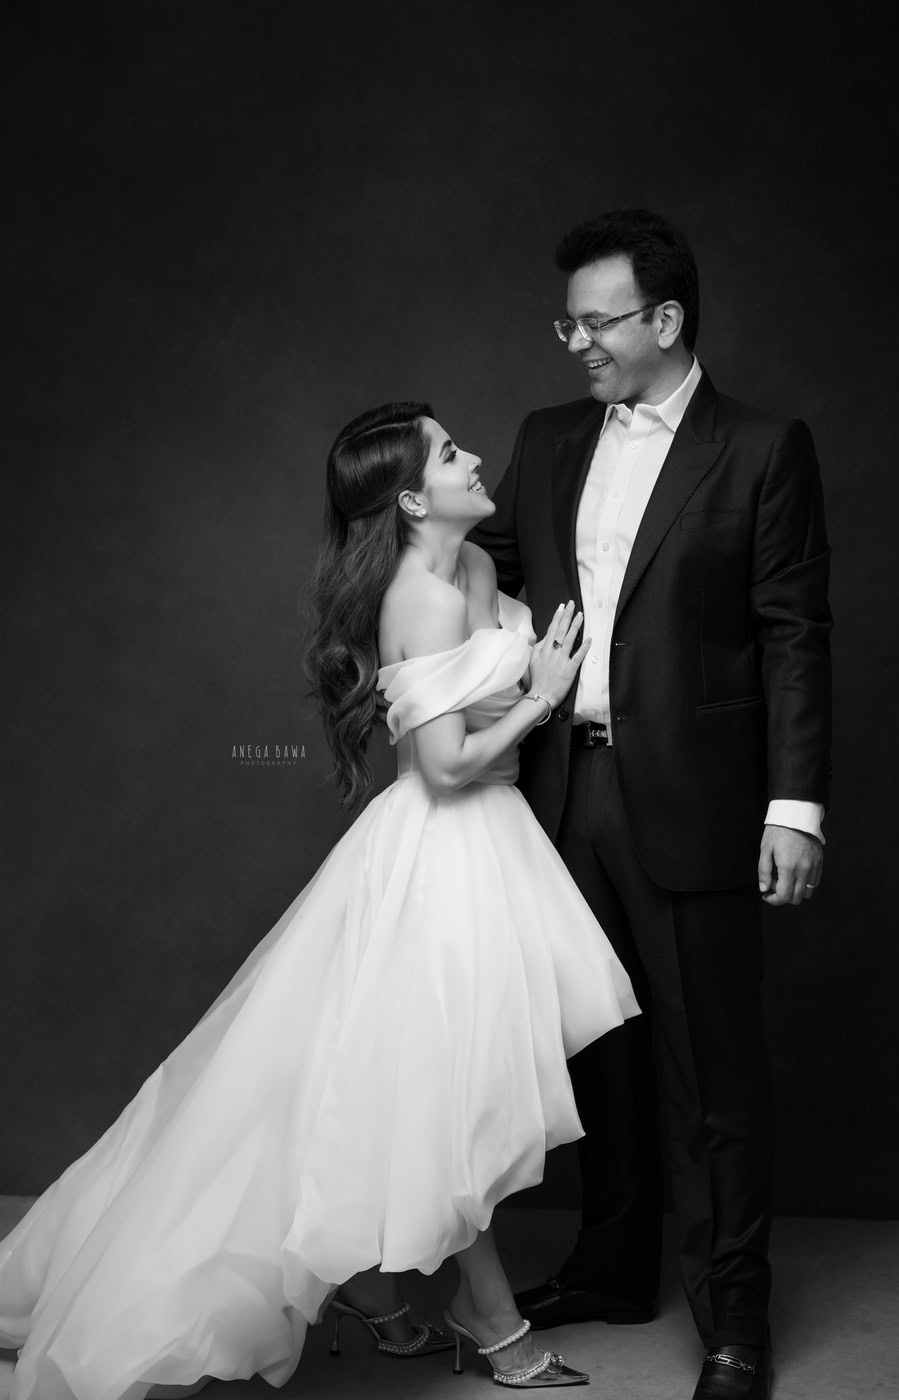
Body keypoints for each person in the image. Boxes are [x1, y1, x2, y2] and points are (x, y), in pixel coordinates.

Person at [0, 401, 641, 1400]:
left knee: (427, 1090)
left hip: (499, 846)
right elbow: (443, 765)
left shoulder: (474, 568)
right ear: (418, 496)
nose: (477, 457)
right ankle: (490, 1319)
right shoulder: (416, 600)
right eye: (451, 450)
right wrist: (542, 694)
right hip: (441, 849)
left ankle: (386, 1302)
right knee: (437, 1093)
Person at [471, 210, 832, 1400]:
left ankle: (734, 1320)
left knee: (713, 1072)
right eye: (566, 319)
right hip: (560, 792)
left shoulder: (763, 448)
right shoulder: (547, 435)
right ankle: (613, 1265)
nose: (574, 338)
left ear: (665, 321)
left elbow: (793, 638)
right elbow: (488, 584)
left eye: (596, 319)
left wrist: (794, 805)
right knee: (600, 1056)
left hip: (698, 802)